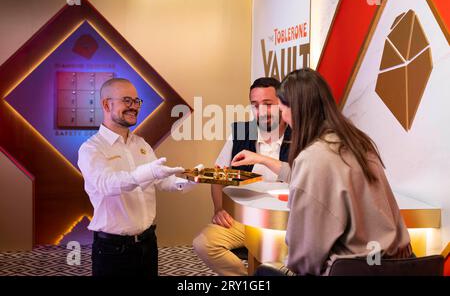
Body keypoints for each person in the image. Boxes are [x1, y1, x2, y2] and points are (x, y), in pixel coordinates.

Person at [231, 68, 412, 276]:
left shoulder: (313, 157)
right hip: (401, 265)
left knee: (264, 274)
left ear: (297, 110)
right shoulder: (359, 143)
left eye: (282, 109)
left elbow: (303, 258)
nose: (284, 118)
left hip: (351, 270)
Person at [78, 78, 193, 277]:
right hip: (112, 250)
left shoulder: (141, 144)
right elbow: (107, 184)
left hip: (148, 244)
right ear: (107, 104)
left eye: (136, 101)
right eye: (126, 101)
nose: (134, 107)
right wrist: (148, 172)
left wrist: (192, 180)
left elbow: (164, 182)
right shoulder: (91, 149)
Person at [193, 77, 291, 276]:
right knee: (203, 243)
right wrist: (219, 208)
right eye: (255, 105)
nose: (261, 112)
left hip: (287, 222)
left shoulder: (298, 134)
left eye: (268, 104)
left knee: (279, 263)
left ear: (282, 103)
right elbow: (218, 175)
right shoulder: (241, 132)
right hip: (244, 219)